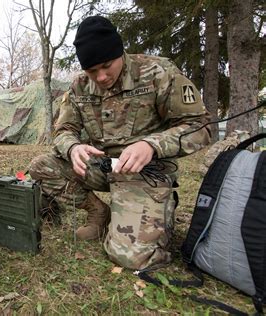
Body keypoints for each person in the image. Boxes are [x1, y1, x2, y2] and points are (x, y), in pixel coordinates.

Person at [29, 16, 211, 270]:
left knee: (133, 257)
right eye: (92, 71)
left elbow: (201, 126)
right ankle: (99, 213)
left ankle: (147, 216)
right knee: (41, 166)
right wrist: (73, 147)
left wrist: (153, 145)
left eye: (107, 66)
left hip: (144, 174)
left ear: (120, 53)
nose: (101, 77)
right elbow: (63, 130)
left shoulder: (158, 72)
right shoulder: (80, 87)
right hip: (102, 168)